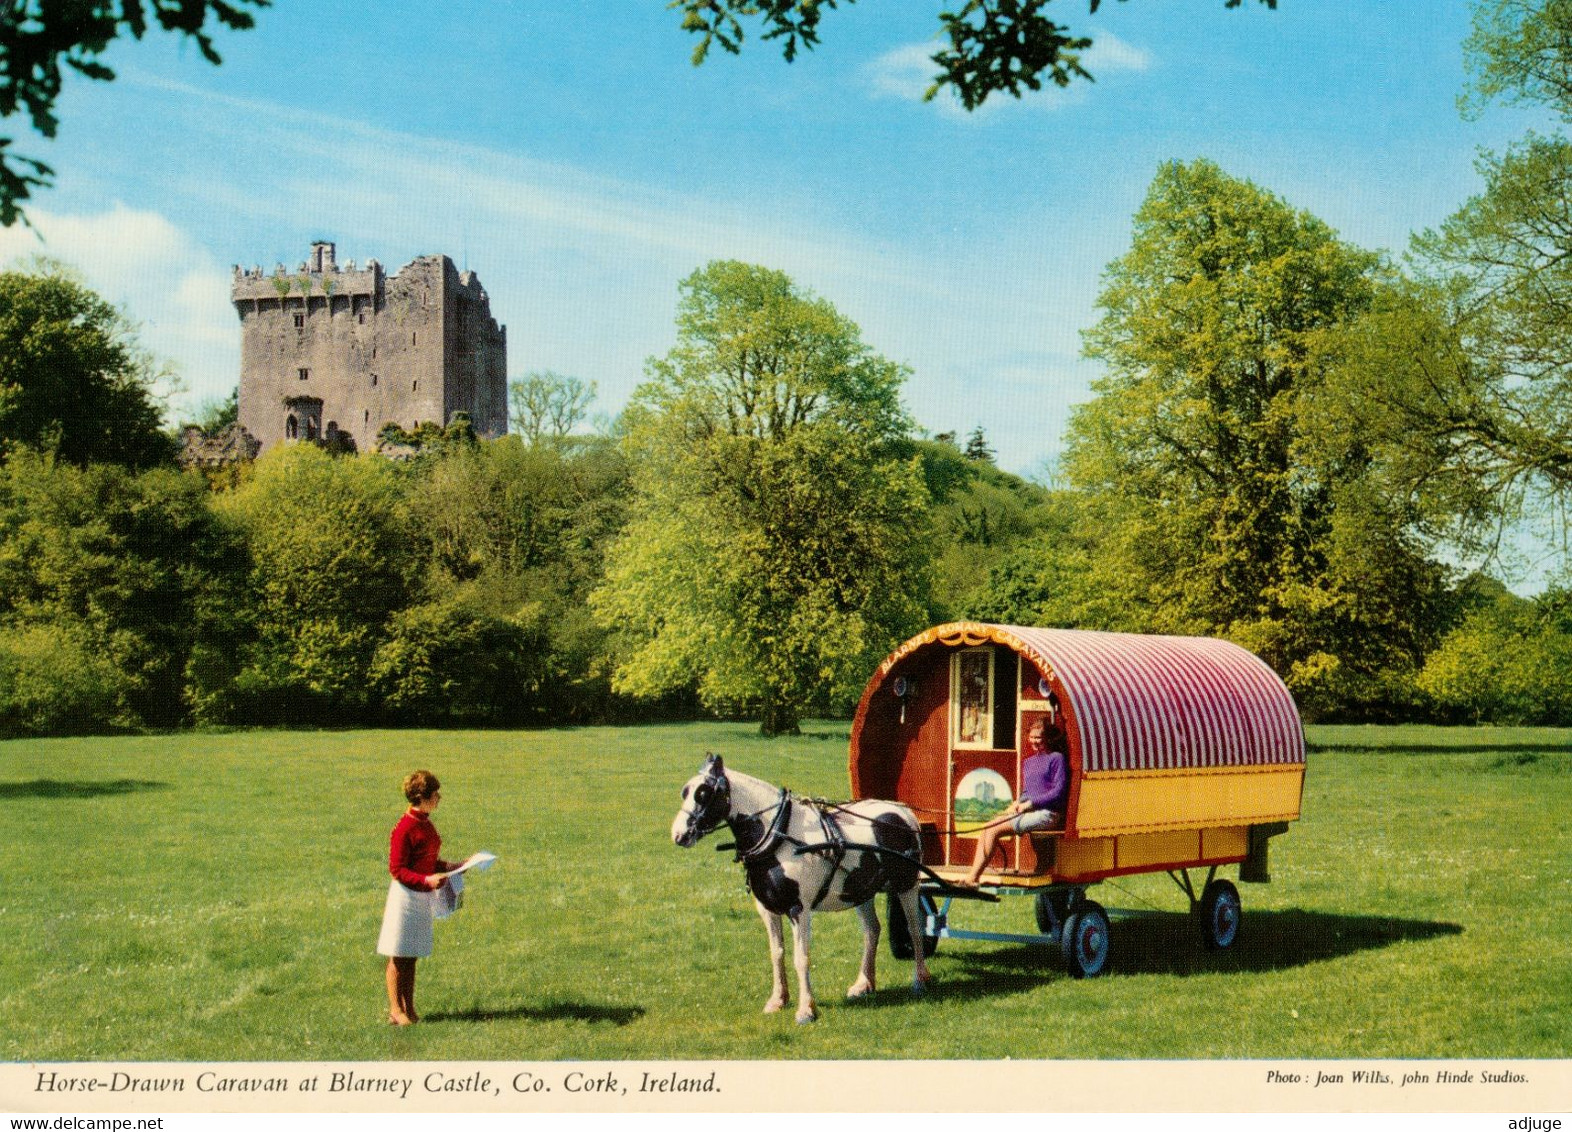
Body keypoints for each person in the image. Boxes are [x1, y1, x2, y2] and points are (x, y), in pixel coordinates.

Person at [376, 769, 462, 1025]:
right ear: (422, 797)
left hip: (422, 896)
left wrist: (451, 866)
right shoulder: (404, 828)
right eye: (435, 794)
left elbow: (427, 859)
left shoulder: (425, 821)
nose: (439, 798)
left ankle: (410, 1008)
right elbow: (397, 869)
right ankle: (395, 1009)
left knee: (411, 955)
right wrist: (426, 879)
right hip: (405, 897)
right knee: (398, 954)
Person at [957, 718, 1067, 888]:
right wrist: (1016, 803)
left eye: (1039, 738)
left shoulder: (1056, 758)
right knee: (988, 827)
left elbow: (1058, 792)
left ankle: (972, 879)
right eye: (1032, 737)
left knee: (992, 830)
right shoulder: (1028, 763)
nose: (1034, 741)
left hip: (1047, 814)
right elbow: (1027, 792)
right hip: (1029, 811)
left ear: (1047, 738)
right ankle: (972, 876)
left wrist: (1029, 804)